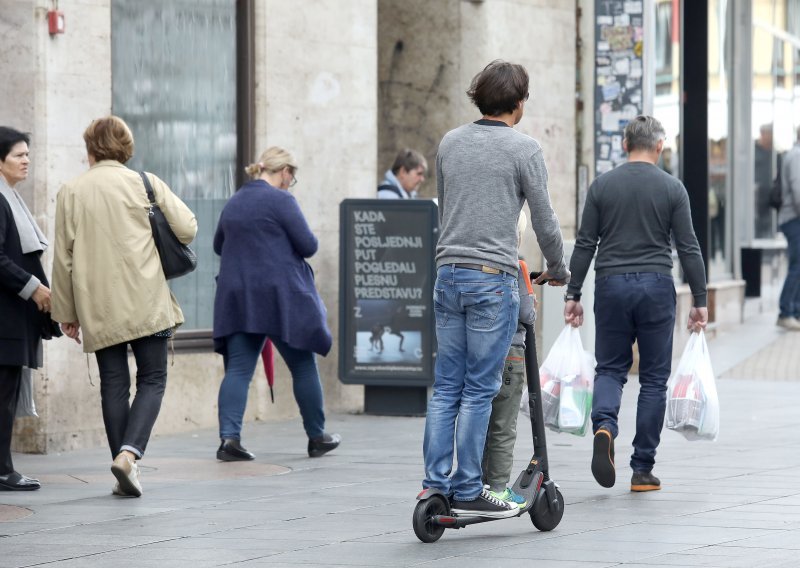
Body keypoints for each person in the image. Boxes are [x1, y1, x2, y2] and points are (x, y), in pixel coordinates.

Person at [422, 60, 569, 519]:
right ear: (518, 102)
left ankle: (434, 485)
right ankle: (470, 486)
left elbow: (447, 209)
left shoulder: (450, 142)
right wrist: (559, 268)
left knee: (446, 387)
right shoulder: (524, 150)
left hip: (447, 273)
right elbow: (544, 220)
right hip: (492, 277)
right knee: (479, 389)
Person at [51, 116, 197, 497]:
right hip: (148, 300)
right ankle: (129, 456)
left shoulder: (71, 191)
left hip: (98, 304)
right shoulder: (144, 182)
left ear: (90, 149)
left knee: (113, 384)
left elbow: (63, 258)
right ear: (126, 147)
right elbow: (188, 229)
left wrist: (66, 313)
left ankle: (123, 463)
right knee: (153, 378)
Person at [564, 115, 708, 493]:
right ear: (659, 147)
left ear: (625, 145)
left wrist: (573, 294)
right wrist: (700, 299)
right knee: (654, 379)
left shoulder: (602, 186)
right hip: (657, 285)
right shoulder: (673, 188)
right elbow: (688, 247)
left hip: (611, 284)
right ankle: (642, 469)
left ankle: (604, 428)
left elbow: (584, 245)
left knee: (610, 369)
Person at [213, 146, 340, 461]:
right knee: (301, 364)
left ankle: (229, 440)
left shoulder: (235, 202)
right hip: (280, 300)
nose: (290, 183)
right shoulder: (282, 200)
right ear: (285, 172)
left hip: (240, 300)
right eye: (291, 177)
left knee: (239, 369)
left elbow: (219, 245)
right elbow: (308, 245)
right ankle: (316, 436)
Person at [0, 127, 61, 491]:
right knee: (2, 398)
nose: (26, 161)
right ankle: (3, 470)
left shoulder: (10, 198)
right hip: (5, 318)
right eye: (19, 155)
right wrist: (34, 288)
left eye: (27, 154)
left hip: (11, 317)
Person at [481, 211, 536, 508]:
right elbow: (527, 314)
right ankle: (499, 486)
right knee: (504, 424)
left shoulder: (479, 264)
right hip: (512, 355)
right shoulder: (518, 265)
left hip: (482, 352)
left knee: (480, 418)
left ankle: (474, 482)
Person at [776, 126, 800, 331]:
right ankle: (786, 311)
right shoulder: (797, 155)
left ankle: (795, 311)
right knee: (797, 265)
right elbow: (798, 190)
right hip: (794, 218)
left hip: (795, 218)